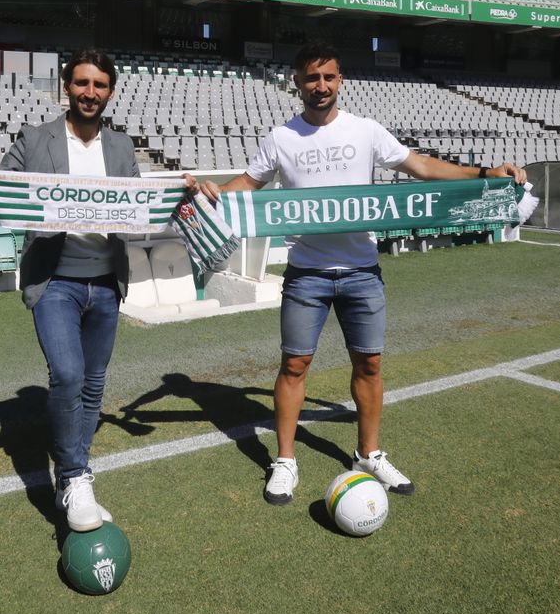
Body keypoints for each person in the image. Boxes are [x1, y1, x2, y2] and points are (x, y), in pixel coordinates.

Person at [199, 42, 526, 505]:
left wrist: (484, 172)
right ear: (297, 83)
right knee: (294, 366)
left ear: (340, 80)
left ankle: (368, 454)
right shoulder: (281, 138)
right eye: (311, 78)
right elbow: (247, 185)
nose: (321, 86)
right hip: (307, 274)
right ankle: (285, 460)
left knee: (369, 365)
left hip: (362, 272)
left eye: (328, 77)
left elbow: (421, 166)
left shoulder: (366, 130)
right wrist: (209, 192)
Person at [0, 50, 199, 532]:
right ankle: (73, 475)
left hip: (106, 283)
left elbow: (139, 205)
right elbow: (0, 189)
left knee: (92, 383)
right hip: (55, 282)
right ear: (66, 86)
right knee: (67, 376)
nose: (91, 93)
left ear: (110, 92)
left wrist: (178, 190)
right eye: (83, 83)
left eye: (100, 85)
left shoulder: (121, 146)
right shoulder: (35, 138)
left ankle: (75, 474)